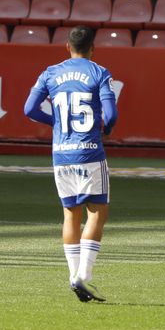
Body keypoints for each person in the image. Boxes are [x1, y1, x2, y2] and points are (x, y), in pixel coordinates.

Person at [23, 26, 117, 302]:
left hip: (61, 151)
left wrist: (55, 122)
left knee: (70, 214)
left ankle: (73, 275)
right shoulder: (100, 72)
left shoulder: (50, 73)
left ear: (67, 46)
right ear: (93, 48)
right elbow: (110, 116)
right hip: (89, 151)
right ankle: (83, 276)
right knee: (97, 213)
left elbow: (28, 109)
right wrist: (105, 129)